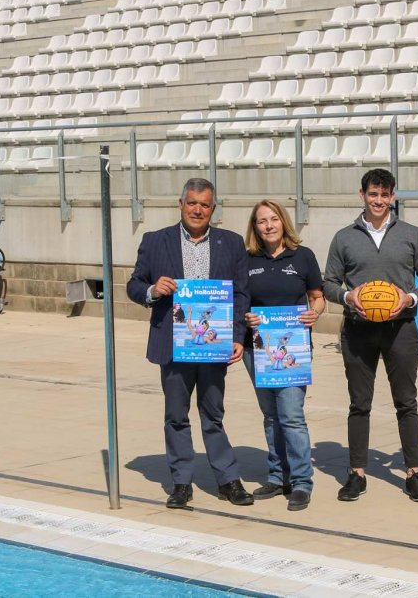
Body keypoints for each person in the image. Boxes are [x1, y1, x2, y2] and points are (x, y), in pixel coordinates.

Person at [126, 177, 254, 510]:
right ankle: (181, 482)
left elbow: (241, 293)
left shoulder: (231, 242)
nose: (198, 209)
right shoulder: (156, 241)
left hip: (213, 345)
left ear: (214, 208)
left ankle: (227, 480)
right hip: (173, 343)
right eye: (192, 202)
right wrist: (153, 290)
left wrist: (238, 336)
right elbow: (134, 285)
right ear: (181, 204)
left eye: (205, 204)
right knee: (176, 416)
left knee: (213, 414)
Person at [323, 168, 418, 503]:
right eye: (373, 194)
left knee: (406, 402)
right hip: (358, 329)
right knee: (359, 403)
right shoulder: (344, 237)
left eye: (385, 195)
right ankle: (357, 473)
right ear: (362, 195)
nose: (378, 200)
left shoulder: (412, 234)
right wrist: (348, 296)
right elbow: (329, 282)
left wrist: (410, 298)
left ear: (393, 197)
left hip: (400, 328)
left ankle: (413, 473)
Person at [241, 199, 325, 512]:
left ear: (283, 222)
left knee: (291, 414)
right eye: (262, 221)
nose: (269, 225)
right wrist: (247, 317)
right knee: (271, 415)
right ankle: (278, 476)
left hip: (294, 349)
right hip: (258, 349)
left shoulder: (303, 257)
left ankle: (302, 481)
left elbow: (318, 298)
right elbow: (241, 302)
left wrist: (313, 313)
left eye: (273, 219)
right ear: (256, 227)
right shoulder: (247, 260)